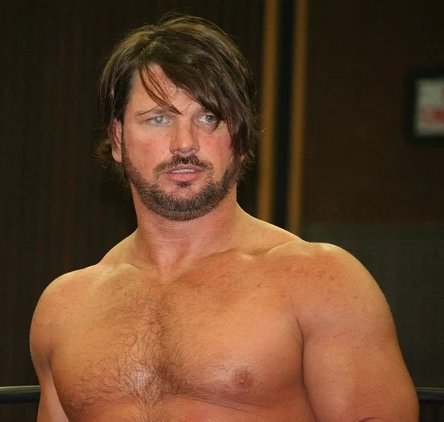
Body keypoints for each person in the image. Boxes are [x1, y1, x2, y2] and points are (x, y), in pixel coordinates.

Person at [30, 14, 419, 422]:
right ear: (117, 139)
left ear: (240, 139)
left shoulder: (321, 281)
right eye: (158, 118)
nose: (184, 143)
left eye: (209, 118)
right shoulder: (64, 307)